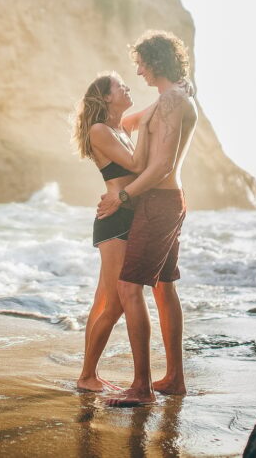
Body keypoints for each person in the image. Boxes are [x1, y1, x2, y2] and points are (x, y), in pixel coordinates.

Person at [96, 30, 198, 406]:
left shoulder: (172, 100)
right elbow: (126, 124)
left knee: (128, 287)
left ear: (156, 61)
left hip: (158, 201)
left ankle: (141, 387)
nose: (137, 70)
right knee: (163, 286)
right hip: (169, 200)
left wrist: (122, 196)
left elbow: (161, 166)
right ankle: (174, 378)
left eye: (140, 62)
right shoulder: (169, 99)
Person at [72, 71, 156, 392]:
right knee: (116, 303)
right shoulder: (100, 130)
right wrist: (146, 128)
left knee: (103, 300)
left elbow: (151, 113)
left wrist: (178, 91)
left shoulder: (120, 126)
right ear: (107, 97)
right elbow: (136, 164)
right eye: (121, 86)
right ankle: (86, 376)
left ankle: (87, 373)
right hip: (114, 221)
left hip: (125, 217)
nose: (127, 88)